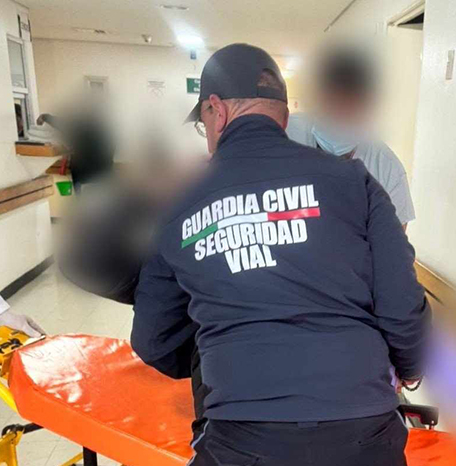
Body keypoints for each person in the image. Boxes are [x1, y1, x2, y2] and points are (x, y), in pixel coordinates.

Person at [130, 43, 430, 466]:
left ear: (217, 110)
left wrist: (216, 359)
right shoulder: (355, 182)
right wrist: (410, 367)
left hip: (241, 434)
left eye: (203, 123)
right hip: (363, 428)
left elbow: (152, 338)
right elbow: (403, 305)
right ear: (285, 118)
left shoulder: (183, 202)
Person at [287, 46, 415, 228]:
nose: (341, 116)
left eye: (350, 108)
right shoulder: (286, 133)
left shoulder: (387, 169)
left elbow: (396, 238)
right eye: (333, 106)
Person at [36, 102, 115, 194]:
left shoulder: (80, 124)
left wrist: (45, 117)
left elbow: (62, 124)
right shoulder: (108, 129)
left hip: (83, 176)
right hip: (104, 176)